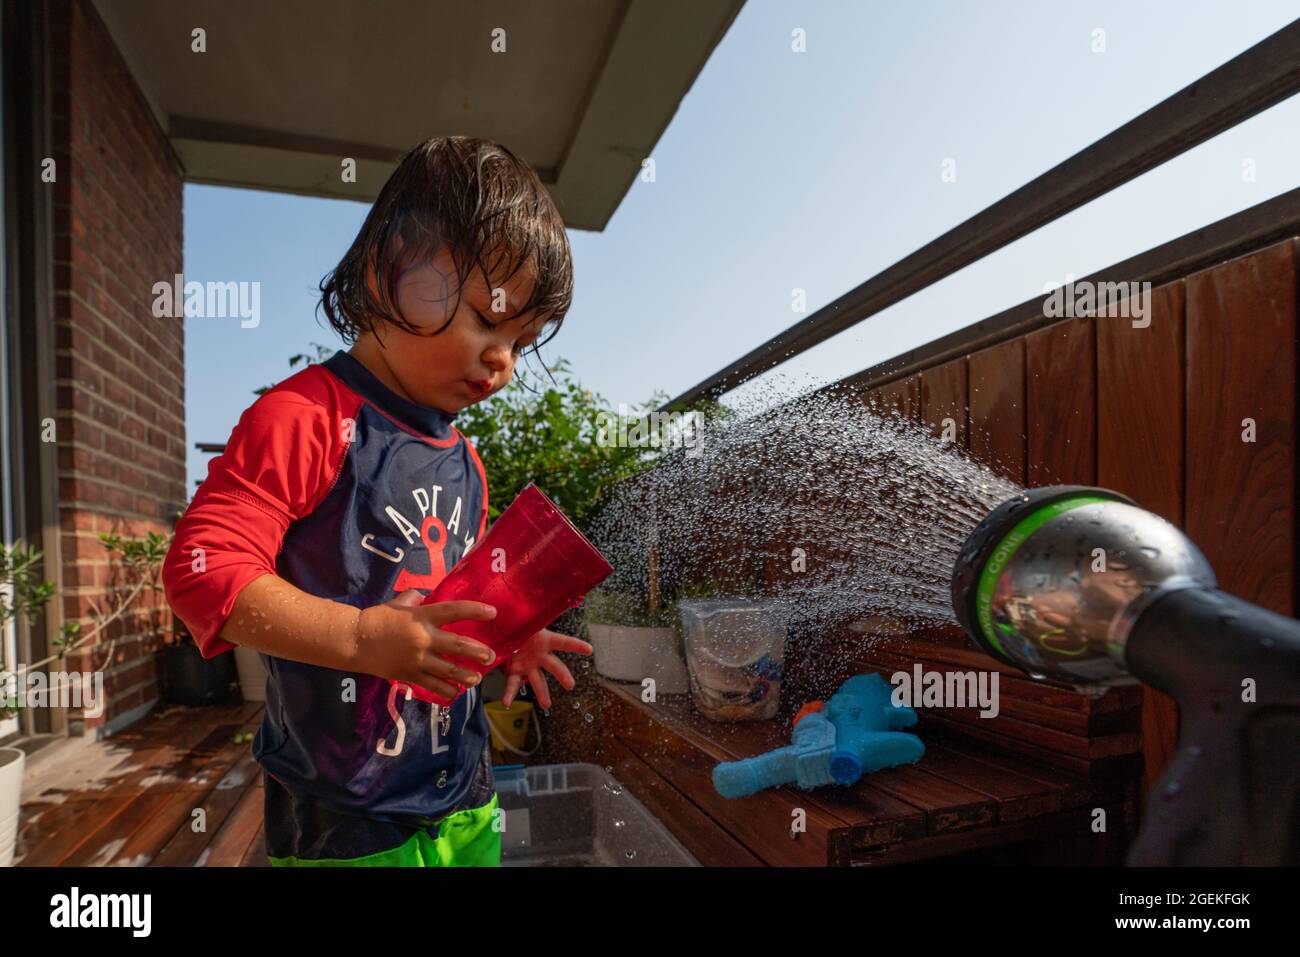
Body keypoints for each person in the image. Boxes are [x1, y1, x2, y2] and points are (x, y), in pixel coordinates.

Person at [162, 136, 592, 866]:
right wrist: (362, 640)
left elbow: (454, 597)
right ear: (394, 274)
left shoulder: (467, 463)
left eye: (522, 338)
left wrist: (510, 636)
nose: (505, 361)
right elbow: (201, 572)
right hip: (344, 809)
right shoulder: (306, 419)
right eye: (490, 320)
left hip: (462, 783)